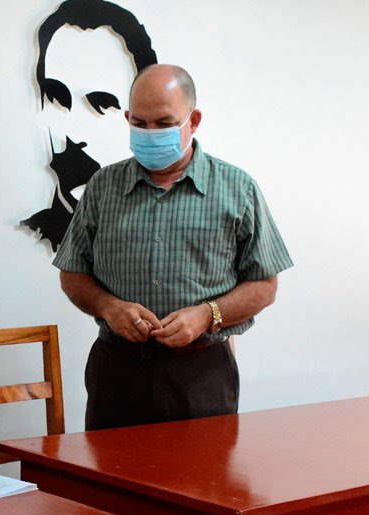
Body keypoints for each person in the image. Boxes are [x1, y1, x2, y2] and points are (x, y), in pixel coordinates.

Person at [53, 64, 293, 430]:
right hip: (117, 371)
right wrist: (108, 307)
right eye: (140, 123)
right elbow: (73, 273)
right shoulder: (102, 187)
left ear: (193, 121)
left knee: (204, 468)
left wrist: (207, 315)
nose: (151, 134)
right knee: (109, 467)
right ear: (128, 119)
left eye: (164, 123)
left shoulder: (237, 189)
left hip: (201, 372)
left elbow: (264, 285)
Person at [21, 0, 157, 251]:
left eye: (101, 105)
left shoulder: (161, 235)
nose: (72, 133)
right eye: (57, 98)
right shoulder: (28, 239)